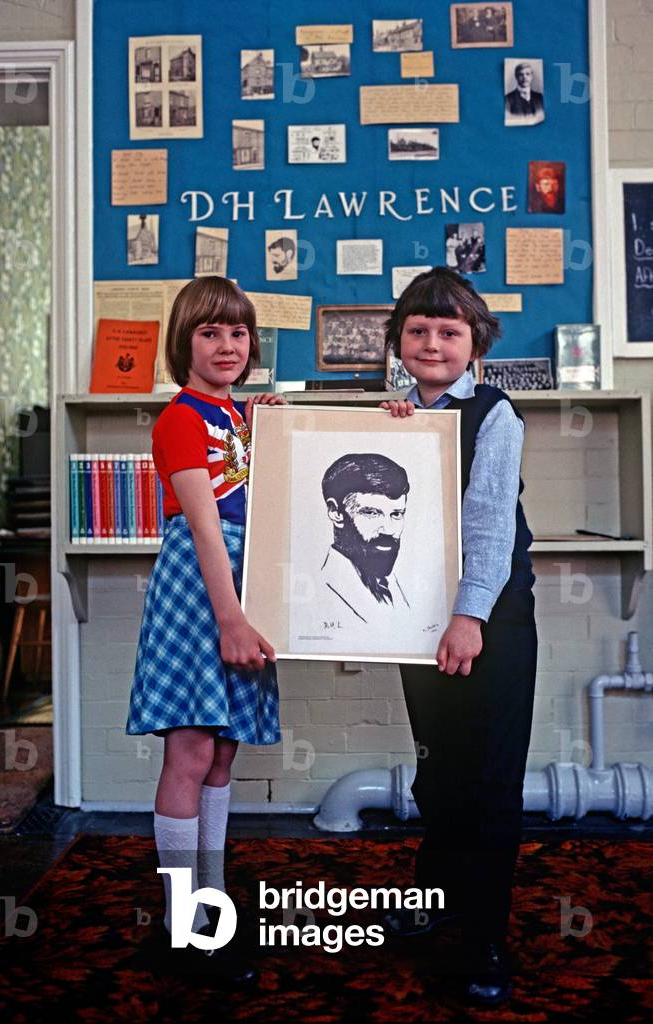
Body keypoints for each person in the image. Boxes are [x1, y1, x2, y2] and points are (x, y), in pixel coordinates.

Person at [379, 266, 537, 1008]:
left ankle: (484, 939)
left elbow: (488, 526)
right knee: (438, 775)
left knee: (490, 781)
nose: (432, 342)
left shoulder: (495, 414)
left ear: (474, 345)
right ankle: (431, 905)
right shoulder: (395, 416)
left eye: (448, 331)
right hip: (418, 620)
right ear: (399, 342)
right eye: (418, 330)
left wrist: (470, 617)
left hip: (490, 621)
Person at [126, 276, 284, 982]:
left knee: (223, 755)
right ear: (183, 343)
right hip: (205, 592)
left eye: (238, 332)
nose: (227, 345)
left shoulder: (246, 415)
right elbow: (205, 528)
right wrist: (231, 621)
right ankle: (181, 921)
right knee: (189, 753)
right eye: (210, 332)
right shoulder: (181, 418)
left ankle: (208, 900)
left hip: (244, 593)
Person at [319, 453, 411, 623]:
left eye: (396, 514)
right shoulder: (318, 591)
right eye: (371, 513)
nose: (389, 530)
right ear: (336, 512)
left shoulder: (398, 590)